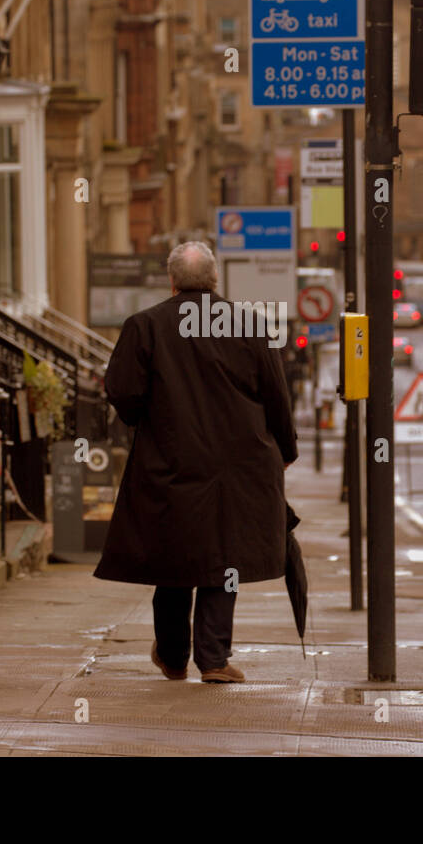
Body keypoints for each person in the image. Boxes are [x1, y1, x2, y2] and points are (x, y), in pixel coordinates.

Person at [94, 241, 298, 683]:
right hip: (238, 467)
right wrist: (285, 450)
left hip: (169, 462)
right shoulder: (249, 324)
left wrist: (143, 422)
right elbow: (277, 398)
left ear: (171, 281)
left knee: (173, 562)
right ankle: (214, 659)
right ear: (214, 279)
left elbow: (122, 391)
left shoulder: (145, 326)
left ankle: (171, 656)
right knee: (225, 562)